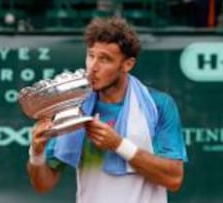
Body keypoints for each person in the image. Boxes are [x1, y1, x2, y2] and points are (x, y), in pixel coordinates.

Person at [27, 17, 187, 203]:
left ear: (127, 64)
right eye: (91, 55)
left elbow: (174, 178)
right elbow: (43, 184)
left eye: (105, 59)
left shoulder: (159, 105)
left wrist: (118, 145)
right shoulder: (73, 108)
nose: (93, 67)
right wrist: (36, 152)